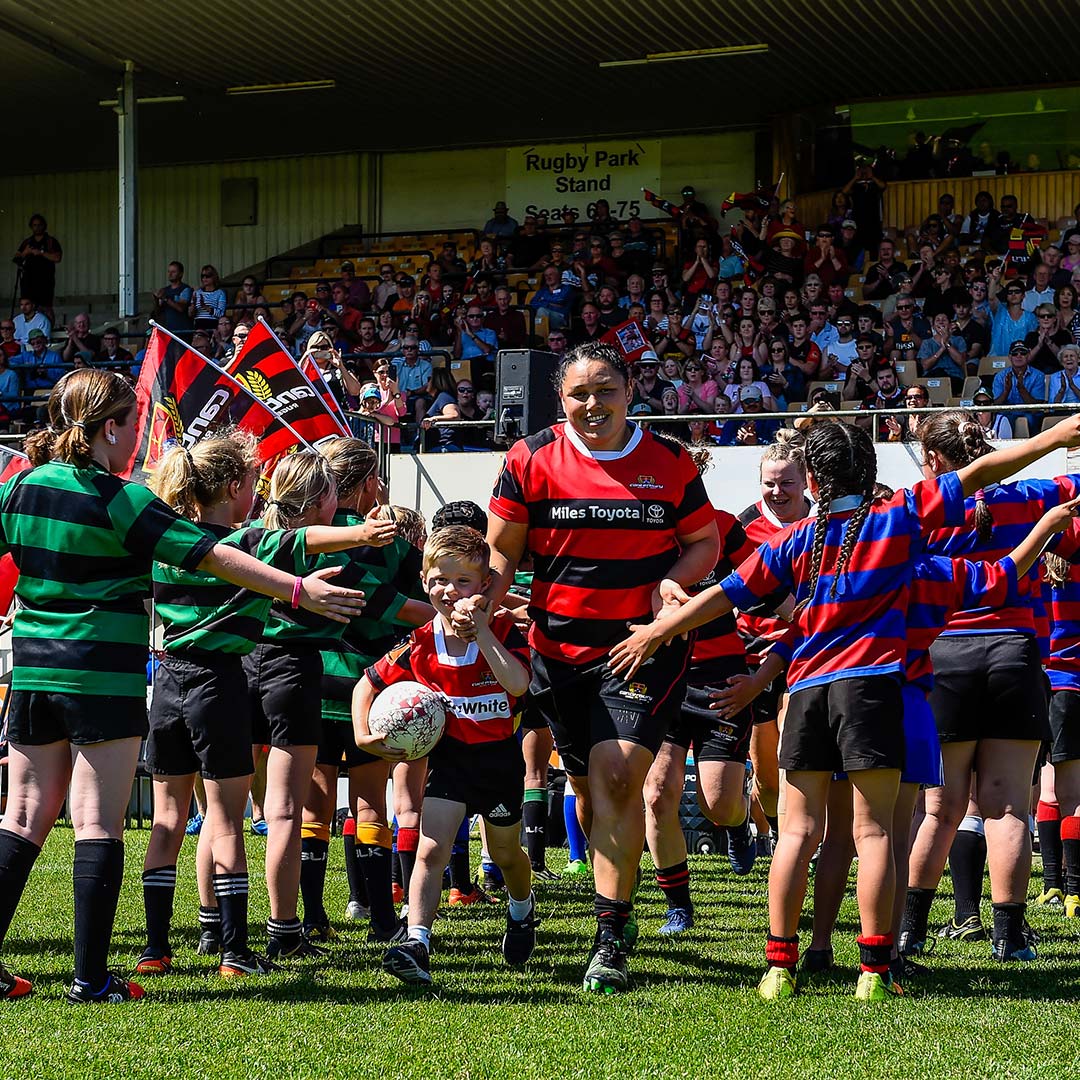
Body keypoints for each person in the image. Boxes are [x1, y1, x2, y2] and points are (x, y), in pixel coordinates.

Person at [609, 415, 1080, 1000]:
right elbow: (982, 480)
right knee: (876, 832)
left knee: (796, 833)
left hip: (806, 692)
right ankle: (873, 972)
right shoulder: (896, 520)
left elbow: (724, 594)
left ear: (810, 477)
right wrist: (1050, 440)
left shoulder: (793, 541)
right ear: (873, 470)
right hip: (875, 688)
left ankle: (778, 968)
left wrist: (658, 631)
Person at [0, 369, 367, 1004]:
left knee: (23, 816)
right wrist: (298, 588)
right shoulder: (121, 499)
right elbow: (211, 554)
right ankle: (90, 979)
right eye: (132, 424)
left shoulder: (21, 487)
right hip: (101, 676)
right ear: (107, 428)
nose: (136, 436)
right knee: (96, 823)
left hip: (31, 673)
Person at [483, 342, 719, 993]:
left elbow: (706, 541)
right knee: (589, 794)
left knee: (619, 779)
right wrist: (482, 614)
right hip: (557, 656)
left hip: (643, 649)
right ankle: (619, 904)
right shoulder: (528, 459)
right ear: (561, 400)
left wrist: (674, 581)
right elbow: (502, 555)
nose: (594, 404)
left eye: (605, 389)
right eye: (579, 393)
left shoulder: (668, 461)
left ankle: (609, 941)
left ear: (630, 388)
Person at [135, 434, 396, 978]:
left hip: (167, 683)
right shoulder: (248, 543)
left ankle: (161, 947)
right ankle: (247, 945)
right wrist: (361, 531)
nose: (257, 494)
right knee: (244, 816)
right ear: (235, 488)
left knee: (172, 818)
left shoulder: (166, 545)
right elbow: (305, 540)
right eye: (252, 484)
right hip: (221, 682)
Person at [902, 412, 1080, 966]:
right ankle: (1012, 937)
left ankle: (911, 931)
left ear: (934, 461)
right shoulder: (1030, 497)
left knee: (940, 809)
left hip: (944, 657)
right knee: (1008, 808)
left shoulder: (921, 507)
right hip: (1016, 655)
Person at [358, 526, 537, 986]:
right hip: (451, 760)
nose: (449, 590)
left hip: (498, 761)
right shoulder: (418, 641)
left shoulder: (502, 629)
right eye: (439, 579)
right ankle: (417, 940)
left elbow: (518, 684)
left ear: (483, 586)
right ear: (423, 580)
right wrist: (363, 733)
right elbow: (368, 683)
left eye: (462, 581)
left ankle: (521, 909)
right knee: (431, 849)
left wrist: (482, 633)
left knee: (505, 852)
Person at [644, 446, 760, 935]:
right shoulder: (642, 530)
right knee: (656, 794)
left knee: (717, 804)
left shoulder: (724, 526)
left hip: (721, 680)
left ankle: (737, 824)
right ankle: (679, 904)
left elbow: (762, 579)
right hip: (663, 675)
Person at [14, 213, 62, 319]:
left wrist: (41, 253)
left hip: (45, 281)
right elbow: (16, 259)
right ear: (31, 226)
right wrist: (25, 253)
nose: (37, 227)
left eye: (39, 225)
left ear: (44, 226)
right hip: (28, 281)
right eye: (34, 225)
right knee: (28, 307)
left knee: (45, 308)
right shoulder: (27, 242)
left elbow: (57, 258)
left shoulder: (50, 241)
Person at [992, 341, 1044, 432]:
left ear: (1028, 355)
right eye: (1015, 353)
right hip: (1007, 413)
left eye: (1023, 353)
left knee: (1031, 418)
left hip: (1029, 413)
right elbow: (995, 406)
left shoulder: (1038, 375)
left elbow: (1036, 409)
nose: (1019, 356)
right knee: (1003, 419)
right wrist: (1006, 391)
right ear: (1009, 357)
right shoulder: (1000, 376)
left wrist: (1021, 389)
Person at [988, 269, 1037, 358]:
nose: (1013, 294)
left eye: (1017, 292)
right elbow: (991, 298)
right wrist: (994, 280)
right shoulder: (1000, 311)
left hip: (1021, 359)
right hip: (997, 359)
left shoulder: (1031, 317)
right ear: (1006, 296)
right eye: (1010, 292)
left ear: (1023, 295)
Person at [484, 286, 527, 350]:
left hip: (512, 350)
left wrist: (507, 338)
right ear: (496, 300)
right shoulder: (490, 317)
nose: (502, 302)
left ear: (510, 299)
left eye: (505, 299)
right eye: (500, 299)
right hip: (493, 351)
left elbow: (522, 338)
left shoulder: (518, 316)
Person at [190, 266, 227, 333]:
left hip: (213, 325)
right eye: (202, 276)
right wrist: (193, 304)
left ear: (214, 277)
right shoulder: (197, 293)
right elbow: (191, 314)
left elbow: (221, 313)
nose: (204, 278)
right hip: (198, 325)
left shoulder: (220, 293)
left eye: (208, 276)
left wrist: (205, 307)